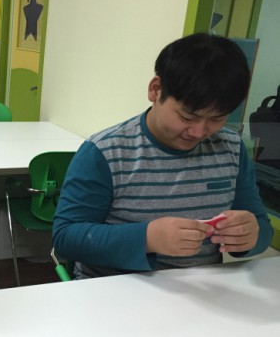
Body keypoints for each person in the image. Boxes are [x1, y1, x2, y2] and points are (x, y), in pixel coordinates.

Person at [53, 33, 273, 279]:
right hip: (115, 289)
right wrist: (147, 238)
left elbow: (262, 227)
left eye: (216, 119)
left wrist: (250, 235)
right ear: (156, 90)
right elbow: (66, 238)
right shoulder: (105, 152)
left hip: (200, 290)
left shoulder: (231, 149)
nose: (199, 132)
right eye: (187, 116)